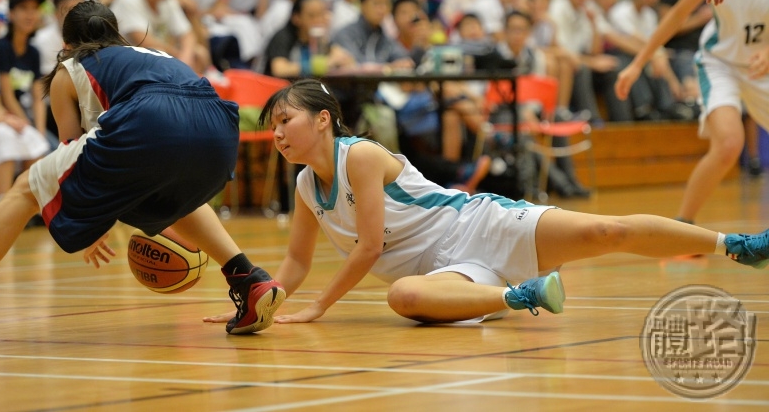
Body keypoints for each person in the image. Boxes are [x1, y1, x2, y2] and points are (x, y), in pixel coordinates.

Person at [203, 78, 769, 326]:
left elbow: (370, 244)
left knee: (607, 232)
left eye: (284, 121)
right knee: (403, 297)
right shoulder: (305, 186)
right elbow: (297, 263)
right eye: (271, 126)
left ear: (322, 120)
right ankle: (521, 297)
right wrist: (261, 303)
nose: (275, 134)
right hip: (448, 272)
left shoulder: (362, 157)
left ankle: (735, 245)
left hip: (481, 227)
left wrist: (319, 308)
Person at [0, 0, 286, 335]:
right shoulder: (152, 55)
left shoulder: (69, 68)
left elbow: (71, 158)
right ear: (116, 34)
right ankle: (247, 278)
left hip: (151, 122)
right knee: (168, 196)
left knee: (25, 190)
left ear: (66, 45)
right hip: (219, 133)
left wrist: (92, 219)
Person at [617, 0, 769, 224]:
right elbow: (677, 14)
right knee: (729, 143)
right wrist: (638, 61)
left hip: (763, 66)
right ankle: (683, 226)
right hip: (721, 63)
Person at [0, 1, 50, 200]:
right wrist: (3, 120)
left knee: (32, 136)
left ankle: (27, 205)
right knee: (3, 136)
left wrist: (10, 119)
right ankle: (1, 202)